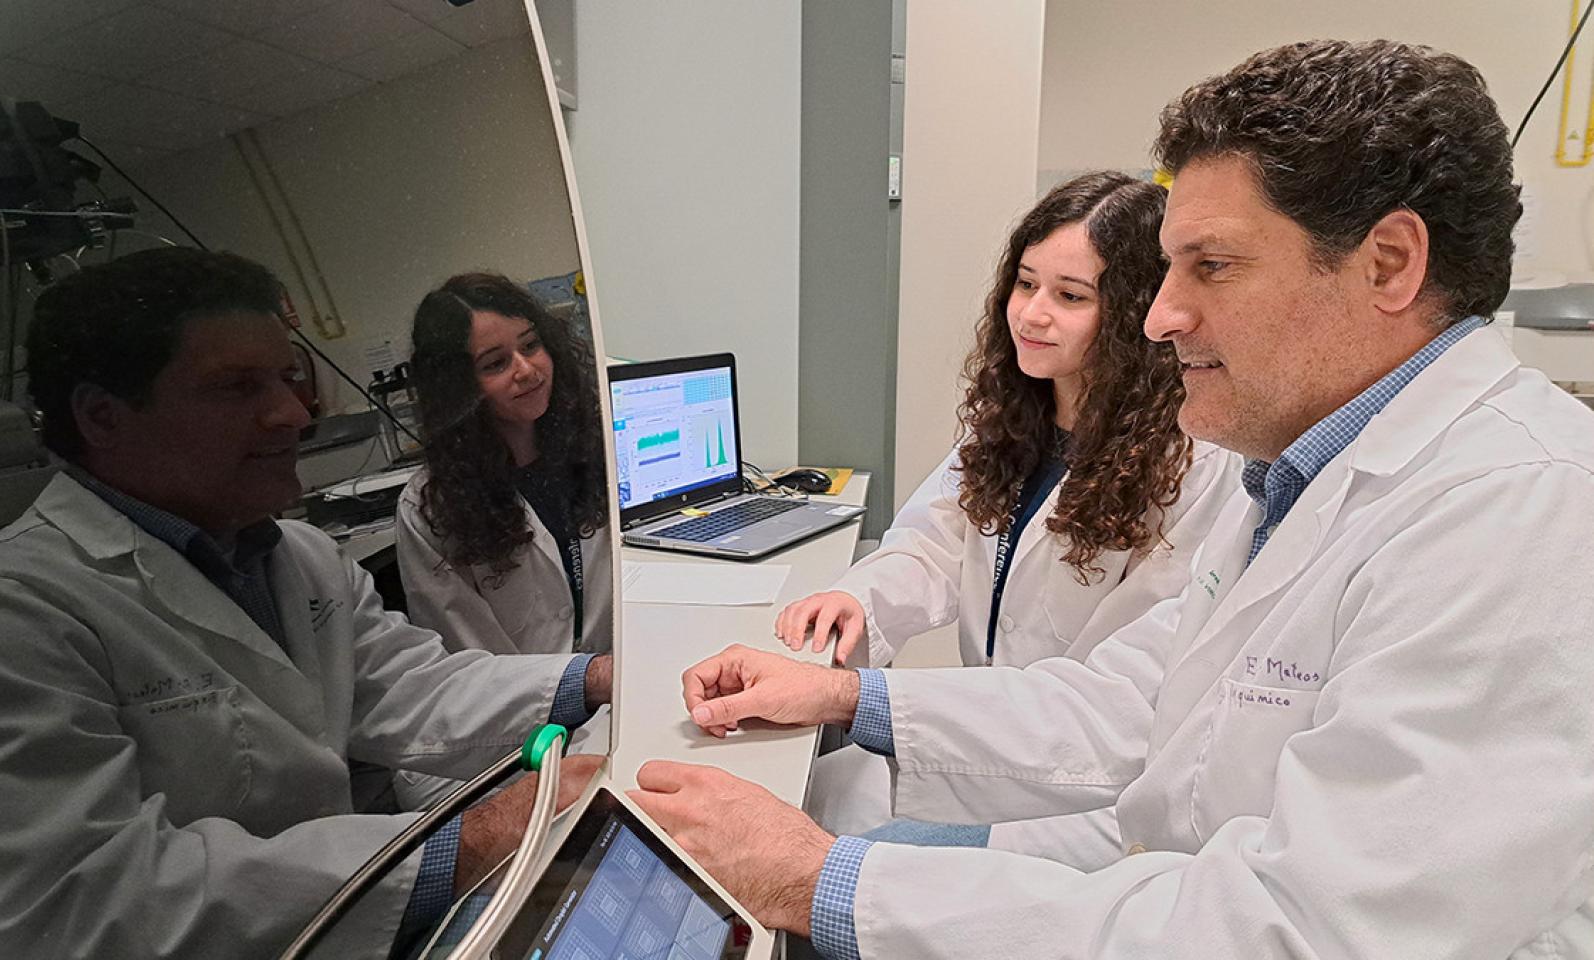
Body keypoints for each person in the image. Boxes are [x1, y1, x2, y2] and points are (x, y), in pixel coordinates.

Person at [630, 39, 1594, 958]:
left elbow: (1308, 934)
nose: (1164, 314)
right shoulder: (1297, 474)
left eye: (1210, 267)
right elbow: (1130, 703)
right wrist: (848, 701)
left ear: (1389, 263)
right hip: (1128, 877)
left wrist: (824, 885)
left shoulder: (1518, 515)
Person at [0, 247, 611, 959]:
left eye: (289, 378)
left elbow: (411, 687)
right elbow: (91, 902)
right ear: (103, 417)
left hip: (310, 924)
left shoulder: (294, 556)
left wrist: (597, 679)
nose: (293, 413)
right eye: (237, 388)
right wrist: (470, 841)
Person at [778, 171, 1239, 847]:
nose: (1031, 313)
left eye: (1070, 296)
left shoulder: (1192, 463)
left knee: (835, 836)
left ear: (1134, 311)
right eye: (1025, 284)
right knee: (811, 794)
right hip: (995, 740)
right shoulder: (1019, 417)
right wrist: (860, 599)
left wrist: (859, 703)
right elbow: (935, 541)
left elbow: (1124, 700)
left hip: (1088, 797)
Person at [395, 272, 612, 657]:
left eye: (531, 345)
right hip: (530, 710)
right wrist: (580, 685)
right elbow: (468, 663)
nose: (527, 370)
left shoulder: (596, 445)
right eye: (495, 364)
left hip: (627, 677)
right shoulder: (432, 506)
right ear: (458, 386)